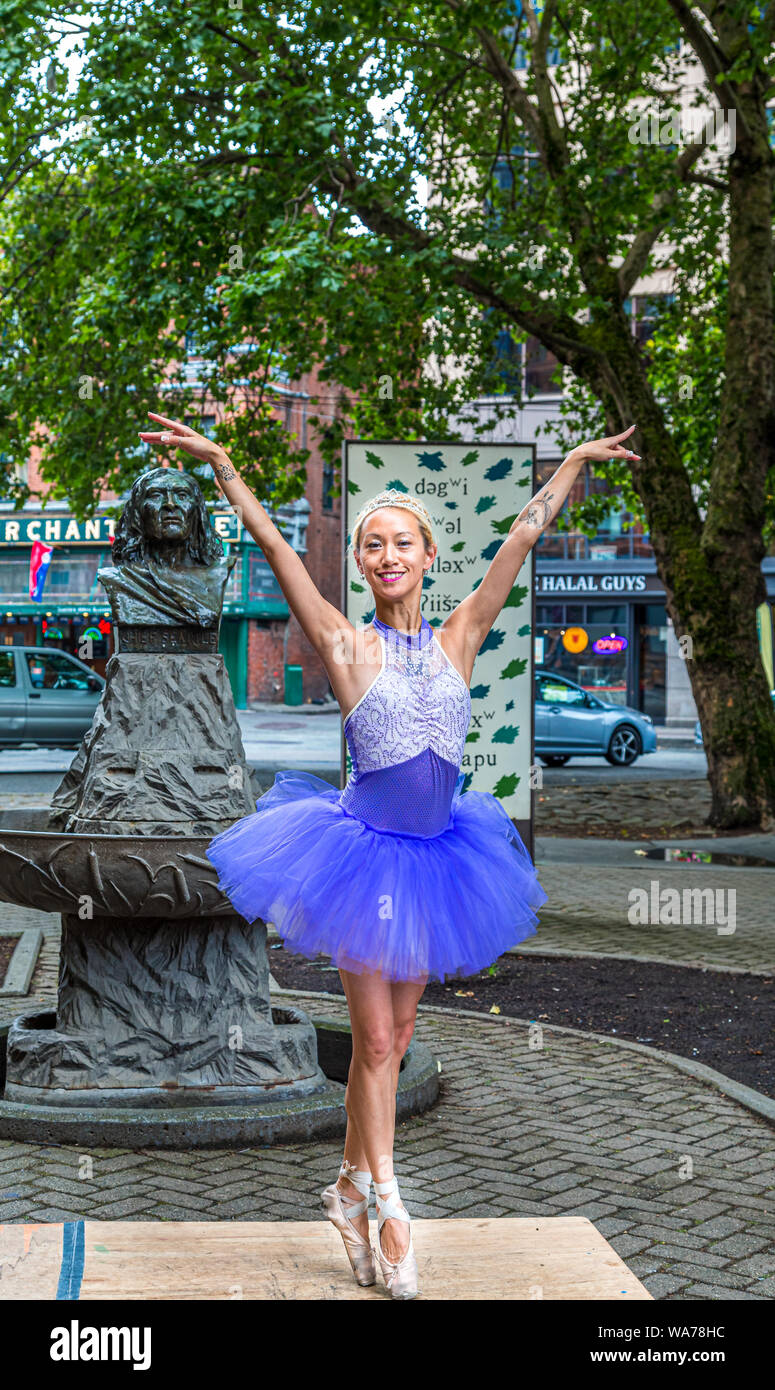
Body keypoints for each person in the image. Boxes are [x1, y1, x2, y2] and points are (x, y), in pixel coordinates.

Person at [138, 411, 641, 1300]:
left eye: (400, 541)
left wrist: (571, 461)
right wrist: (222, 465)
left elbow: (523, 535)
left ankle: (342, 1187)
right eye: (371, 544)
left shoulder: (460, 638)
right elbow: (270, 540)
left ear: (425, 554)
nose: (385, 554)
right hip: (362, 859)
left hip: (442, 858)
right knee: (374, 1038)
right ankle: (387, 1202)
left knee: (399, 1038)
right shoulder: (343, 643)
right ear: (362, 563)